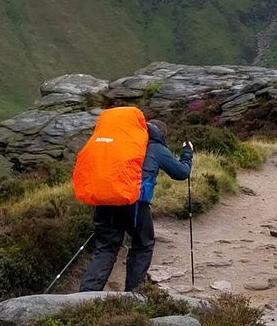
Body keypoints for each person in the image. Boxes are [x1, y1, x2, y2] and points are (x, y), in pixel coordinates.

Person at [79, 120, 194, 291]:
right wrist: (187, 153)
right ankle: (134, 293)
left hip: (106, 200)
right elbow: (182, 173)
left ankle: (86, 295)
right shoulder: (156, 147)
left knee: (106, 248)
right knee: (142, 245)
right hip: (134, 204)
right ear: (161, 134)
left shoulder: (120, 144)